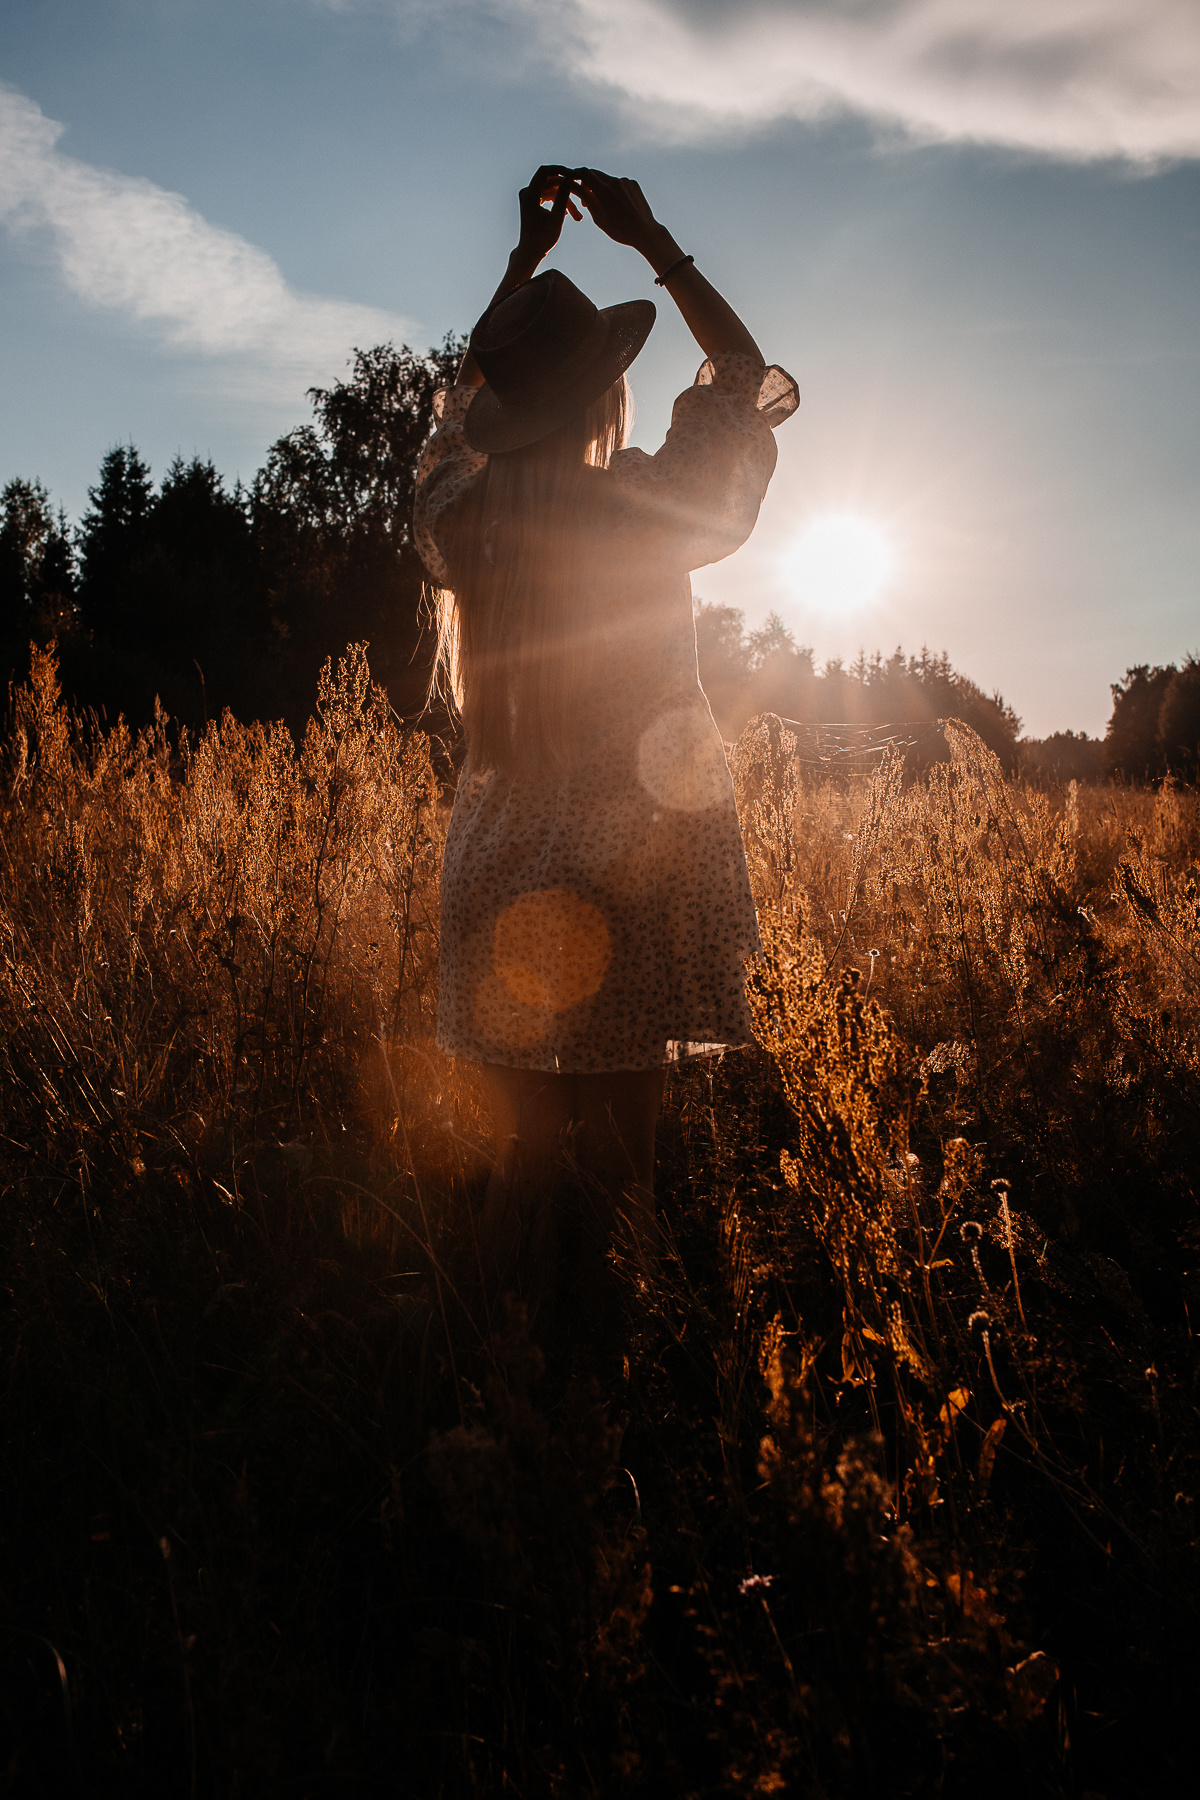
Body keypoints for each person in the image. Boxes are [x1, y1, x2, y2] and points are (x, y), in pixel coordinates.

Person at [414, 166, 797, 1310]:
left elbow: (454, 414)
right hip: (625, 875)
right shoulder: (643, 510)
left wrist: (522, 264)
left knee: (522, 1183)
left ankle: (490, 1392)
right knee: (623, 1191)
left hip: (493, 866)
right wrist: (656, 242)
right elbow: (739, 377)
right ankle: (609, 1407)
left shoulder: (458, 522)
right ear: (601, 404)